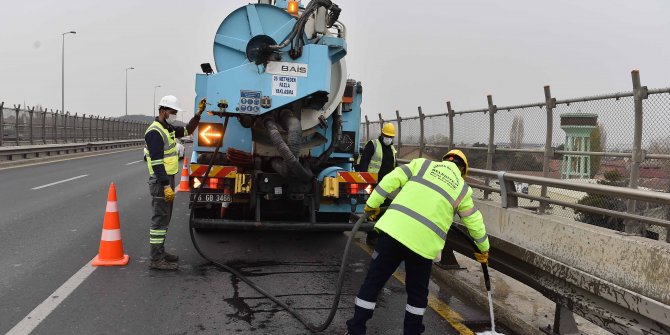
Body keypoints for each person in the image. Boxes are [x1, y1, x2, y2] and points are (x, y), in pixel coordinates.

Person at [345, 149, 490, 335]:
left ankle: (355, 330)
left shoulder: (422, 164)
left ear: (444, 160)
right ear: (462, 171)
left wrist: (372, 204)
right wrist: (483, 249)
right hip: (422, 246)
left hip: (393, 233)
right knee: (417, 296)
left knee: (372, 283)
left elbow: (390, 179)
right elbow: (475, 222)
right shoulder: (462, 188)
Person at [145, 95, 205, 271]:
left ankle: (161, 252)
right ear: (163, 110)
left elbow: (187, 130)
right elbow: (156, 162)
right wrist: (165, 185)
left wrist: (198, 114)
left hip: (167, 179)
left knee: (165, 218)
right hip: (160, 181)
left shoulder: (167, 128)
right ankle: (156, 259)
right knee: (159, 219)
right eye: (173, 112)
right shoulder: (155, 131)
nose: (175, 114)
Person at [357, 122, 397, 245]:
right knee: (373, 210)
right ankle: (372, 236)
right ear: (382, 134)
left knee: (383, 210)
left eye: (391, 137)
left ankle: (380, 235)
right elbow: (364, 162)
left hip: (386, 186)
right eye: (386, 136)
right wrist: (365, 181)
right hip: (372, 183)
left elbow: (394, 166)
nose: (388, 139)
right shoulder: (373, 144)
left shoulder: (391, 149)